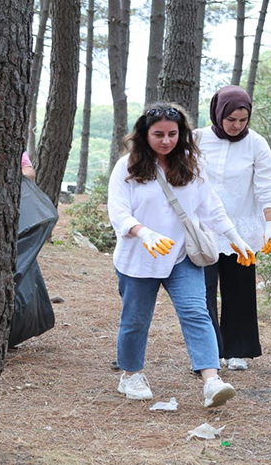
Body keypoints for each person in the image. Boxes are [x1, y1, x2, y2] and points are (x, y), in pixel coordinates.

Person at [106, 102, 254, 407]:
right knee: (135, 320)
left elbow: (210, 207)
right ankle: (131, 374)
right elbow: (118, 212)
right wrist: (143, 233)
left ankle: (211, 381)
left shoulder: (190, 164)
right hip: (139, 258)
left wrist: (235, 238)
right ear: (144, 134)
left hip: (180, 256)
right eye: (158, 134)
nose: (166, 141)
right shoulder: (127, 167)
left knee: (196, 313)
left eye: (172, 134)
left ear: (181, 134)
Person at [195, 85, 271, 371]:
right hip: (203, 229)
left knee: (240, 290)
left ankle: (237, 349)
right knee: (201, 293)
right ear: (218, 114)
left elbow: (268, 185)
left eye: (243, 120)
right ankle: (208, 352)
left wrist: (270, 224)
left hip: (241, 229)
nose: (236, 126)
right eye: (230, 119)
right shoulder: (196, 139)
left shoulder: (256, 143)